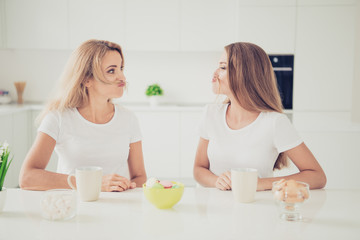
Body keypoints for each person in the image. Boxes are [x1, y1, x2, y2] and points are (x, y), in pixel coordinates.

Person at [193, 42, 326, 191]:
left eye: (223, 67)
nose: (215, 73)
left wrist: (261, 183)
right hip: (214, 209)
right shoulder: (211, 113)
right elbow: (199, 169)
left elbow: (317, 176)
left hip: (256, 208)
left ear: (244, 75)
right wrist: (216, 181)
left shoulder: (274, 122)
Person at [19, 39, 147, 192]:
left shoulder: (128, 119)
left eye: (121, 68)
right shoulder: (58, 118)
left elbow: (139, 177)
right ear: (86, 79)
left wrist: (127, 187)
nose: (122, 77)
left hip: (118, 206)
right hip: (73, 207)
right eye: (112, 70)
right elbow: (27, 177)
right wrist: (91, 183)